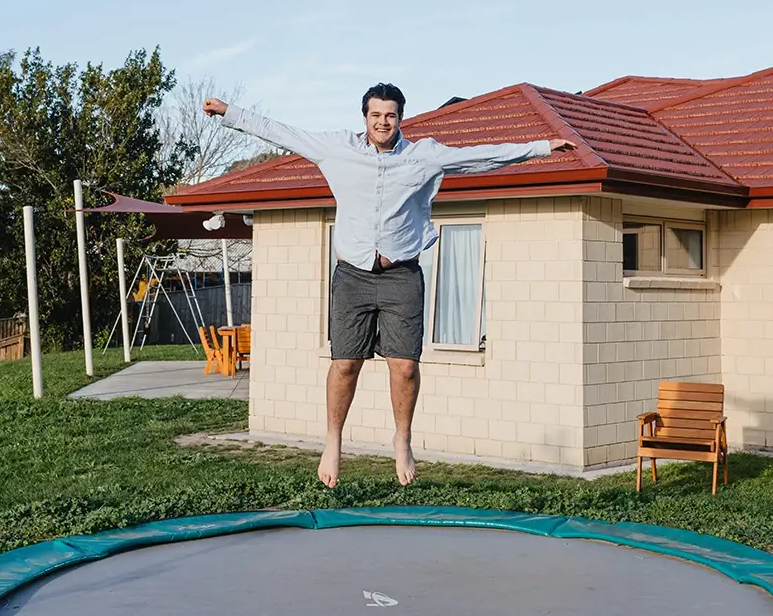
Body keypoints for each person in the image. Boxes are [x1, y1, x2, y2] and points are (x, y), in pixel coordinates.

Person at [204, 83, 576, 487]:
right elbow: (280, 132)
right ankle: (333, 441)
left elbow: (479, 157)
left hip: (401, 275)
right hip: (352, 277)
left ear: (401, 118)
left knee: (405, 366)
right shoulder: (337, 149)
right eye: (376, 115)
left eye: (391, 115)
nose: (383, 122)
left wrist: (541, 147)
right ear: (364, 117)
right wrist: (228, 112)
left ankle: (403, 438)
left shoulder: (423, 156)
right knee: (345, 363)